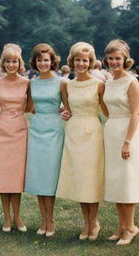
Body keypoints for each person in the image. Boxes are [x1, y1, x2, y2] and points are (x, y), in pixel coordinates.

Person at [57, 42, 108, 241]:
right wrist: (65, 112)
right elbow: (67, 109)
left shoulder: (99, 85)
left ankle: (94, 222)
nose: (81, 63)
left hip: (92, 133)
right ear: (72, 61)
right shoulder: (68, 85)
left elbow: (106, 111)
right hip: (73, 132)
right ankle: (85, 222)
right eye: (77, 60)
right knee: (79, 178)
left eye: (84, 60)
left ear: (90, 62)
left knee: (90, 178)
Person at [24, 43, 65, 237]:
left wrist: (63, 112)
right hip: (37, 128)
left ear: (52, 61)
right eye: (39, 60)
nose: (42, 63)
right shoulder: (33, 82)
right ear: (35, 62)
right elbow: (29, 107)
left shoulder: (61, 82)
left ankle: (51, 220)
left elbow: (70, 106)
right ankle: (44, 220)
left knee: (50, 176)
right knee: (39, 176)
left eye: (46, 60)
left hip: (54, 130)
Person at [103, 39, 139, 245]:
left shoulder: (132, 82)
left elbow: (135, 114)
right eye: (111, 58)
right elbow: (106, 109)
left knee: (127, 180)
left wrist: (127, 141)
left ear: (126, 59)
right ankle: (121, 225)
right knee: (116, 180)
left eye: (118, 58)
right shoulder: (108, 81)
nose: (114, 62)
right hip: (111, 131)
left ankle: (131, 227)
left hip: (128, 133)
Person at [0, 43, 31, 232]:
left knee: (16, 176)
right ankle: (6, 217)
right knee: (3, 175)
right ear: (3, 63)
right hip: (2, 129)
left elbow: (32, 106)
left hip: (19, 130)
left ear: (19, 62)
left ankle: (17, 216)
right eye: (7, 61)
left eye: (14, 61)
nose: (11, 65)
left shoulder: (26, 83)